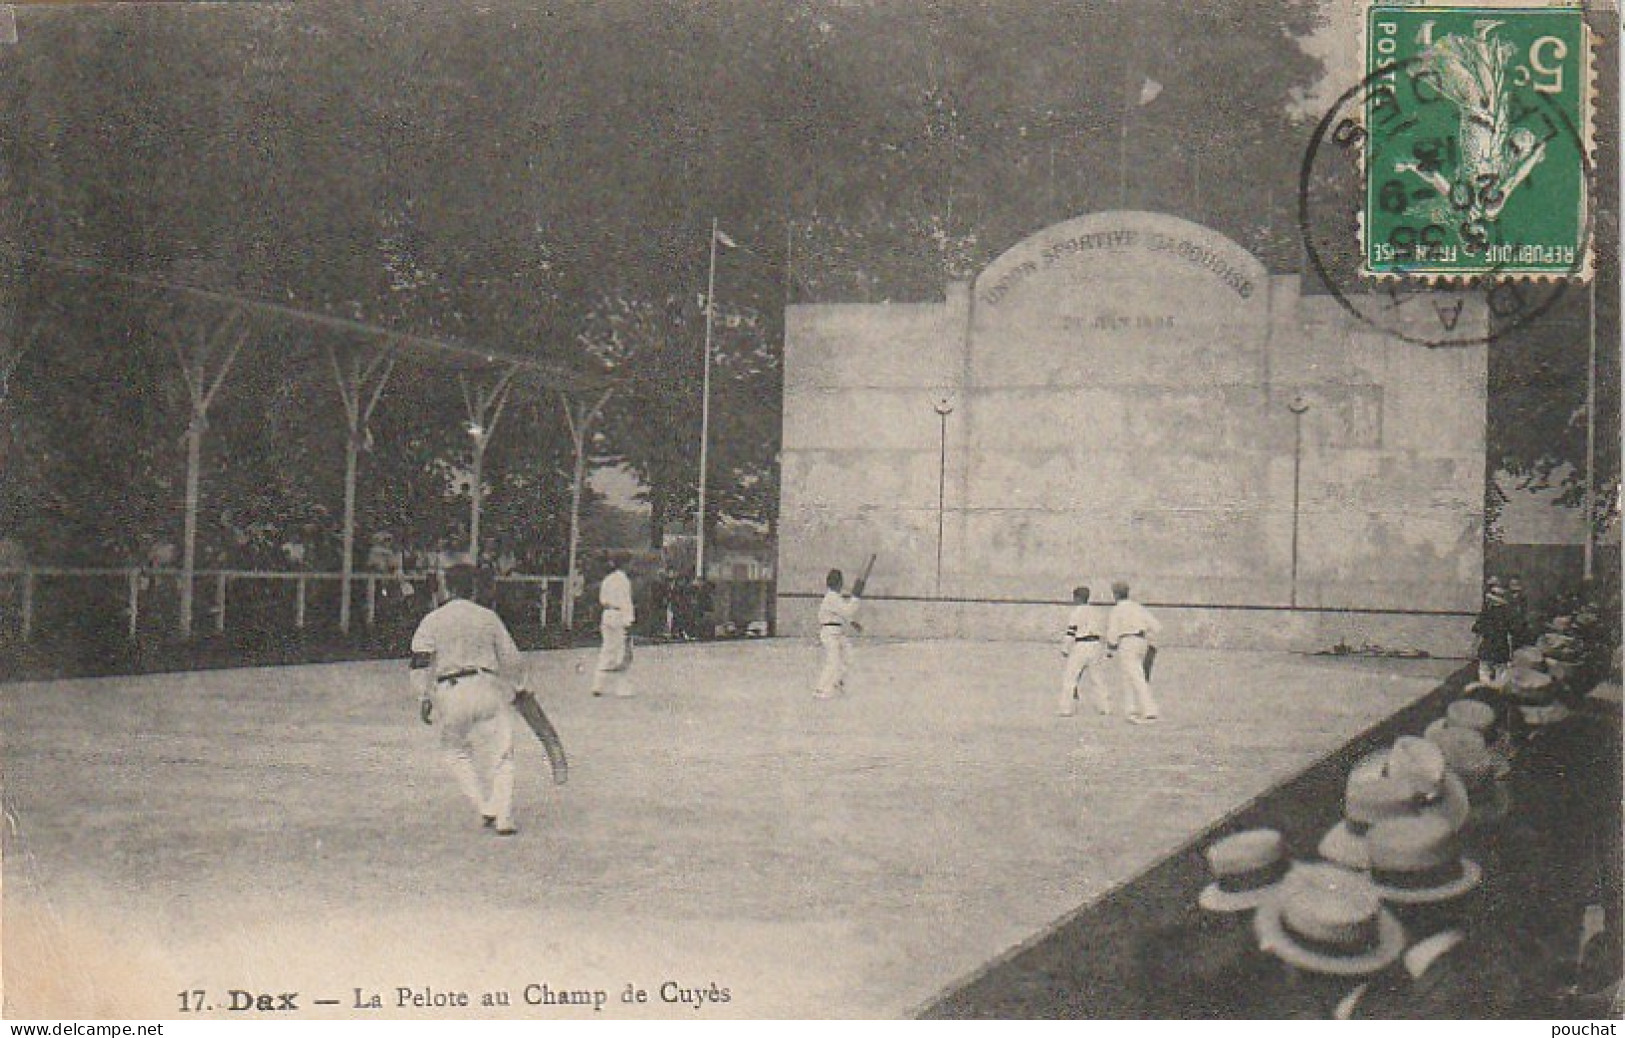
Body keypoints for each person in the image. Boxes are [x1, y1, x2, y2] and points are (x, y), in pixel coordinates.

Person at [408, 563, 530, 836]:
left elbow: (419, 662)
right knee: (502, 754)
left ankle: (484, 804)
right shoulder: (488, 617)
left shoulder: (433, 619)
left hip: (451, 690)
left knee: (454, 751)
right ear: (474, 587)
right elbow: (512, 657)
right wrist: (519, 688)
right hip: (487, 686)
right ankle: (504, 815)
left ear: (446, 587)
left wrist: (424, 697)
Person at [1105, 580, 1163, 723]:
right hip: (1141, 641)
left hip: (1127, 642)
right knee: (1129, 675)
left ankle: (1150, 709)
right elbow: (1156, 626)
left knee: (1135, 675)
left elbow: (1112, 632)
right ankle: (1130, 709)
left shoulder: (1117, 609)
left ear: (1116, 595)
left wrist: (1111, 647)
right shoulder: (1138, 607)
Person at [1058, 586, 1110, 717]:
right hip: (1096, 645)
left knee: (1071, 677)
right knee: (1097, 677)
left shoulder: (1076, 612)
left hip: (1081, 645)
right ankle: (1105, 707)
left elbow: (1071, 631)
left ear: (1077, 598)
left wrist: (1065, 648)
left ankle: (1066, 708)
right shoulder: (1096, 612)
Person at [591, 553, 635, 697]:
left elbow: (602, 599)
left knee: (607, 650)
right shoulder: (624, 581)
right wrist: (629, 621)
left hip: (607, 615)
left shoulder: (607, 579)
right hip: (619, 615)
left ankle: (598, 685)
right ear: (625, 564)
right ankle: (622, 689)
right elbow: (626, 602)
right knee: (621, 652)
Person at [814, 567, 862, 699]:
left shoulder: (835, 597)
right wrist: (856, 598)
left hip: (837, 632)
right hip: (830, 633)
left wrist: (852, 622)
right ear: (838, 583)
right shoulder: (832, 597)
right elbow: (847, 610)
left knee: (849, 656)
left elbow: (842, 613)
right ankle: (820, 688)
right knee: (833, 661)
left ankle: (838, 683)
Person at [1466, 578, 1514, 692]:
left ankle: (1486, 692)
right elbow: (1510, 635)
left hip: (1487, 648)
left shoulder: (1486, 614)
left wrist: (1472, 649)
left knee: (1484, 673)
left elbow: (1478, 633)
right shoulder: (1507, 614)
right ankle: (1498, 693)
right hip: (1501, 649)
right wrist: (1511, 653)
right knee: (1500, 674)